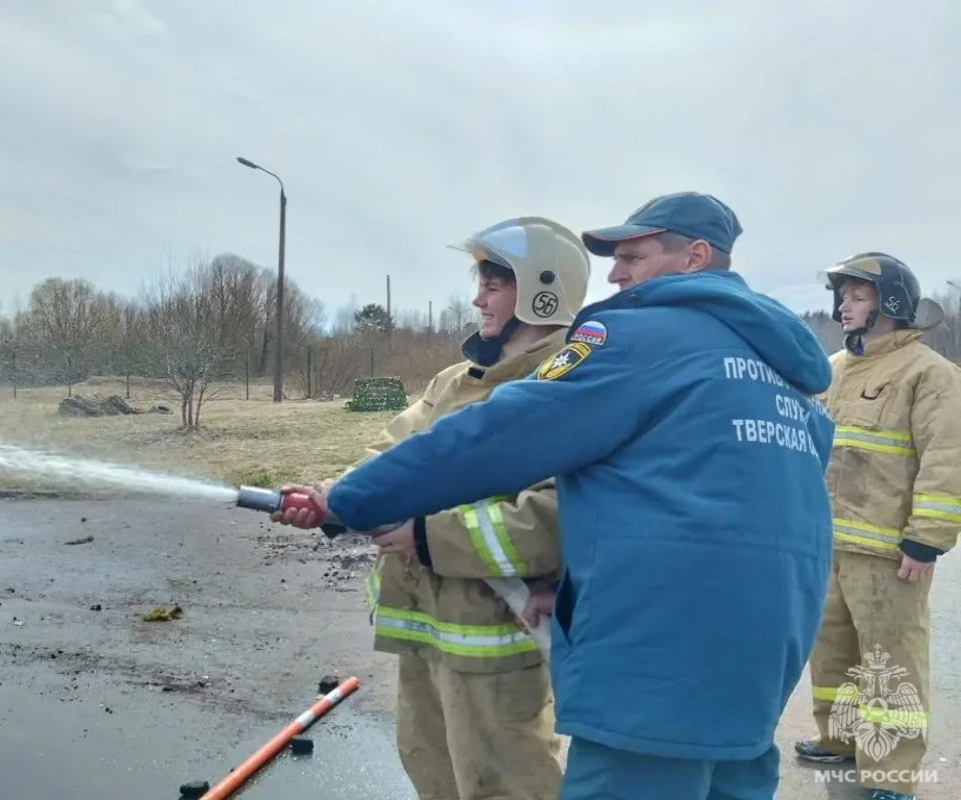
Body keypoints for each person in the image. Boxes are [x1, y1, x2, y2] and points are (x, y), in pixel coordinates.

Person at [302, 192, 838, 800]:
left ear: (693, 256)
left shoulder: (636, 338)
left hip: (657, 650)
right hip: (768, 644)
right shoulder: (783, 370)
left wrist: (352, 500)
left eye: (633, 256)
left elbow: (496, 434)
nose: (615, 273)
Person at [273, 216, 592, 800]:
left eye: (494, 284)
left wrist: (427, 537)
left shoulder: (564, 388)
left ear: (543, 289)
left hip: (493, 640)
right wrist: (332, 501)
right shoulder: (454, 381)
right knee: (432, 772)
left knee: (505, 784)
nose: (477, 298)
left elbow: (557, 518)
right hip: (424, 629)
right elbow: (390, 458)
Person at [794, 253, 961, 800]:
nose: (844, 305)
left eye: (857, 296)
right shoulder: (835, 367)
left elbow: (947, 458)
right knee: (832, 650)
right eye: (844, 295)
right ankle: (840, 740)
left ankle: (890, 775)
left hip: (890, 552)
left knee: (888, 664)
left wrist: (926, 541)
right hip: (830, 544)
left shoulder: (930, 374)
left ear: (889, 303)